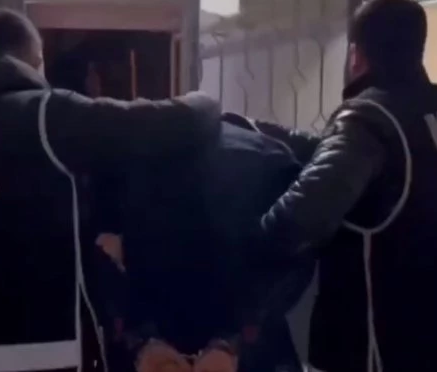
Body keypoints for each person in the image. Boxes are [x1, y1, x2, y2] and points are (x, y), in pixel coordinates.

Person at [0, 8, 221, 372]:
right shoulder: (41, 116)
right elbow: (171, 124)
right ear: (35, 61)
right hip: (30, 354)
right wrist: (207, 101)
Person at [250, 0, 437, 372]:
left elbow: (296, 220)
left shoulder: (367, 121)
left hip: (396, 351)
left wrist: (238, 253)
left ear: (356, 56)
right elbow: (391, 172)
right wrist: (268, 133)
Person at [115, 113, 315, 372]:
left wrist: (143, 341)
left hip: (166, 333)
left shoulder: (137, 159)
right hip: (243, 334)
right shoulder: (274, 164)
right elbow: (295, 260)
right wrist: (234, 339)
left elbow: (106, 257)